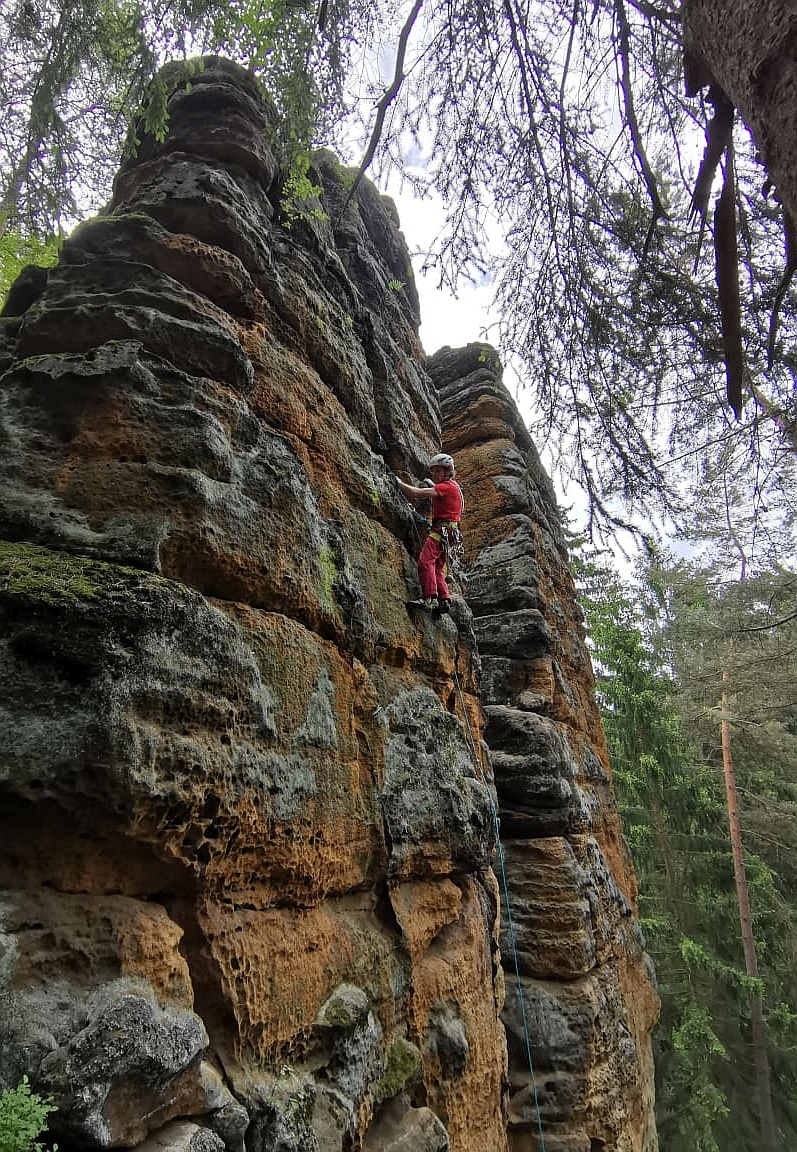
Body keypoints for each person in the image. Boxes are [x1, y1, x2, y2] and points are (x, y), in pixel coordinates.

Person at [395, 452, 464, 615]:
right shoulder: (453, 487)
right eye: (432, 471)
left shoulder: (445, 487)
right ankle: (444, 599)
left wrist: (399, 484)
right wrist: (432, 484)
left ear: (447, 472)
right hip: (450, 533)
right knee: (437, 568)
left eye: (438, 471)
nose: (434, 473)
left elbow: (416, 493)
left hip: (440, 532)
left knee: (425, 562)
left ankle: (428, 599)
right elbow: (440, 494)